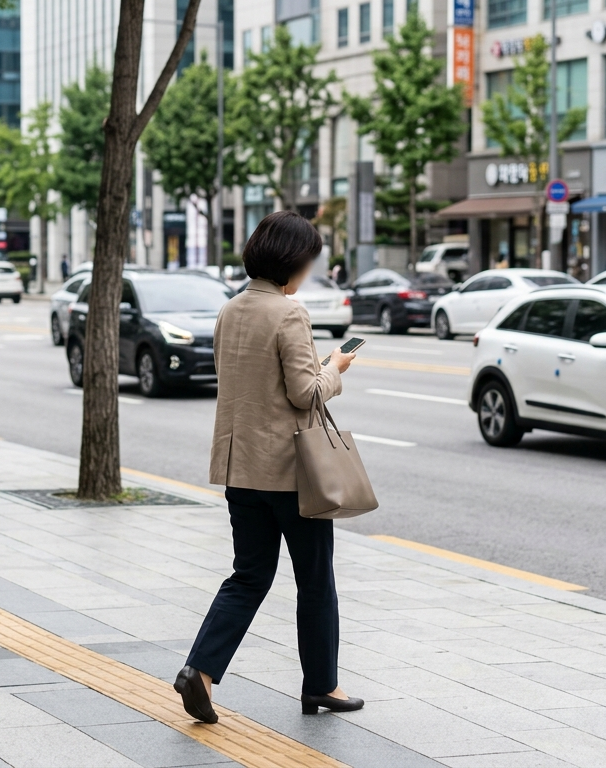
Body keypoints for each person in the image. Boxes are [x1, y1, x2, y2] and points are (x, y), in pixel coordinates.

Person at [175, 211, 362, 724]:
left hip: (241, 469)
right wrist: (335, 368)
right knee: (315, 579)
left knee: (248, 575)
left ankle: (202, 672)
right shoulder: (288, 314)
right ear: (293, 262)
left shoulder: (230, 310)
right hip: (290, 472)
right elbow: (305, 393)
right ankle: (323, 684)